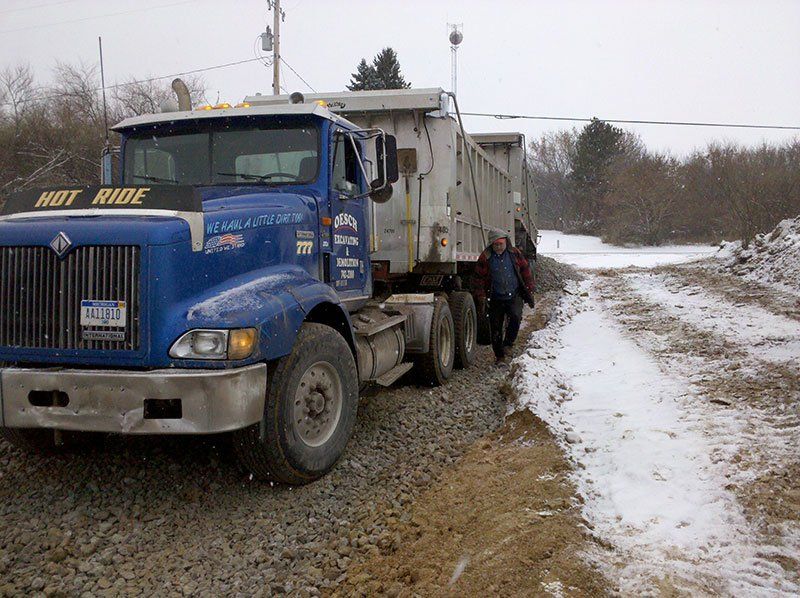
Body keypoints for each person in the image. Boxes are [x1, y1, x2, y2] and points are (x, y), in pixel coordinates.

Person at [472, 229, 535, 364]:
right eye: (496, 245)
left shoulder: (514, 254)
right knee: (495, 328)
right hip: (495, 298)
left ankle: (508, 344)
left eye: (501, 244)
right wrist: (481, 296)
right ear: (491, 245)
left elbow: (525, 270)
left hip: (514, 295)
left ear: (506, 242)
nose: (499, 247)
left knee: (516, 317)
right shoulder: (486, 257)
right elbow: (478, 279)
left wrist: (529, 288)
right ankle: (499, 356)